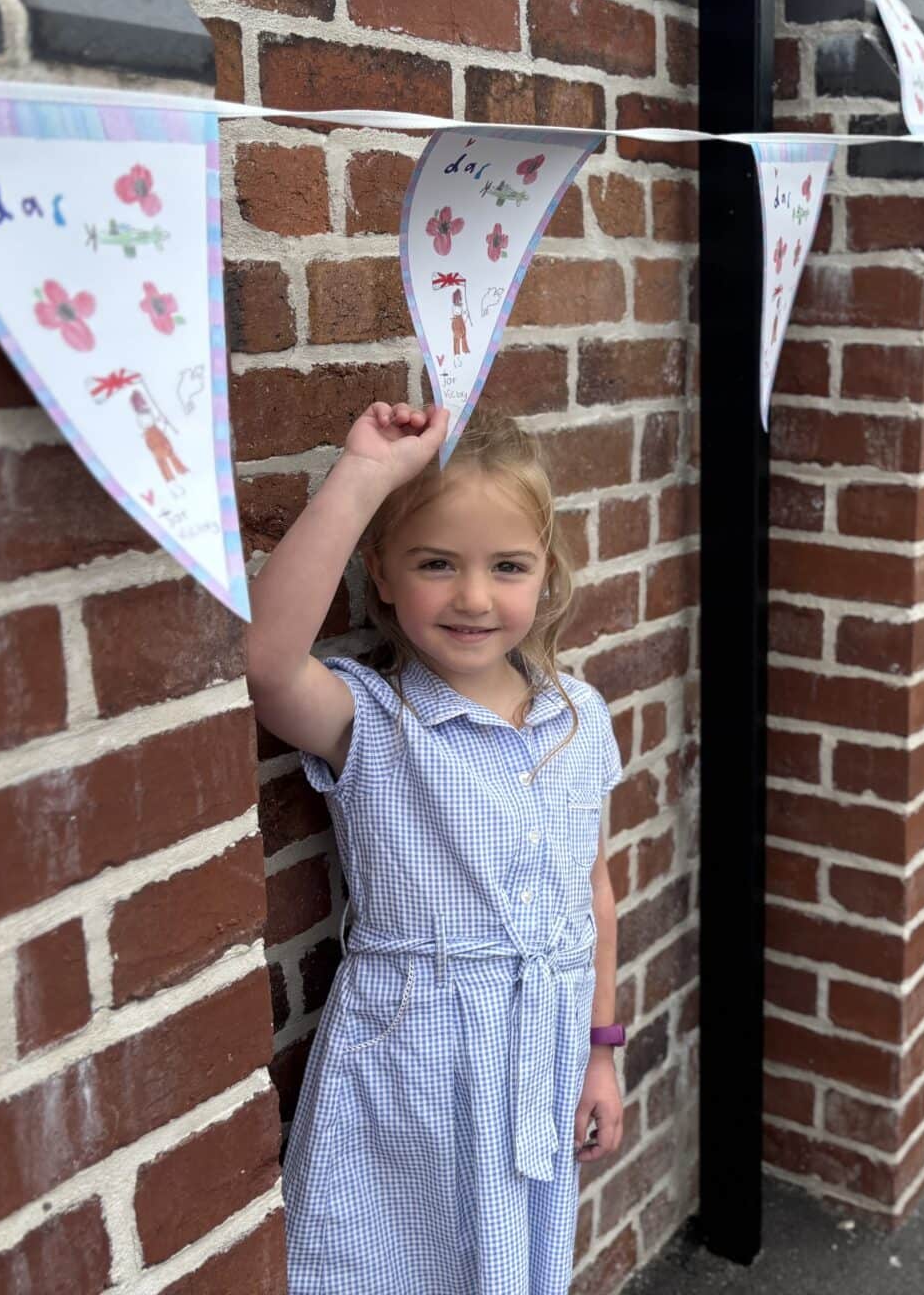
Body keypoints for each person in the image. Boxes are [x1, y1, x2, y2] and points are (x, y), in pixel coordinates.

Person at [247, 400, 626, 1294]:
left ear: (546, 576)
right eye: (435, 564)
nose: (473, 596)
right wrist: (365, 476)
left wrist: (600, 1053)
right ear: (380, 574)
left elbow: (594, 895)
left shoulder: (581, 719)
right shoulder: (374, 722)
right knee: (389, 1269)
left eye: (507, 567)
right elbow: (264, 664)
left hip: (542, 1051)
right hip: (411, 1070)